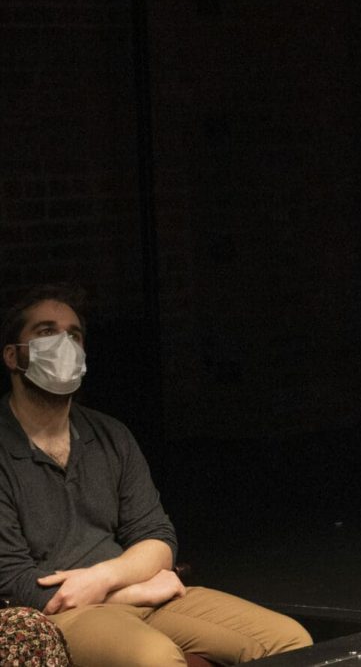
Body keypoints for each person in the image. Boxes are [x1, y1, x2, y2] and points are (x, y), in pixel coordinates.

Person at [0, 285, 312, 666]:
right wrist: (132, 592)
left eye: (74, 335)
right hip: (62, 615)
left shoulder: (110, 435)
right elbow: (14, 582)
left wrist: (105, 577)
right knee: (156, 659)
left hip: (135, 594)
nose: (64, 344)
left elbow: (158, 538)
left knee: (291, 641)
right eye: (46, 332)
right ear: (14, 356)